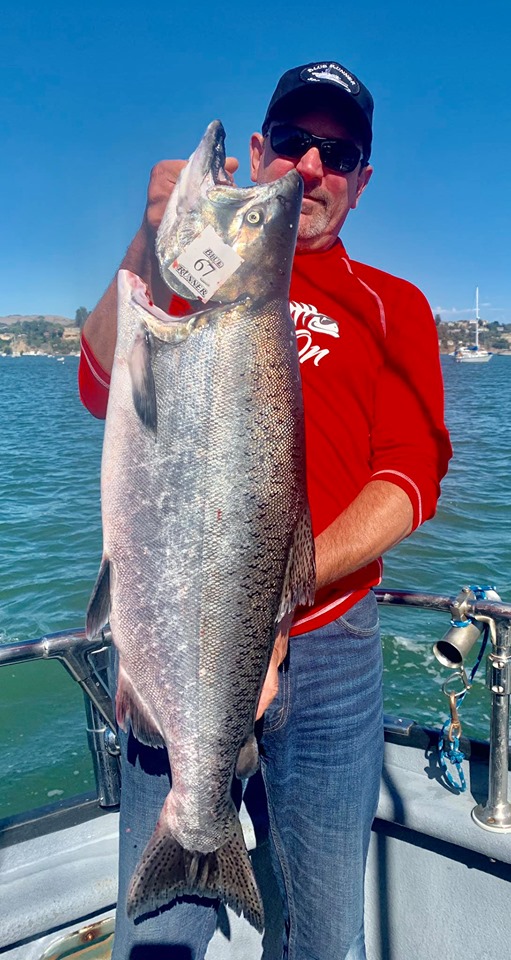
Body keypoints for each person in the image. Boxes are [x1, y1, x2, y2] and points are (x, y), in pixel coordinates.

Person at [79, 60, 452, 960]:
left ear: (361, 182)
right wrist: (147, 232)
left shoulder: (393, 307)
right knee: (158, 938)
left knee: (324, 932)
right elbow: (99, 382)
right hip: (173, 636)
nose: (311, 167)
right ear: (258, 154)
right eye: (292, 142)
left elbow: (408, 480)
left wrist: (267, 604)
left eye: (339, 151)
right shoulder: (180, 281)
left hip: (328, 656)